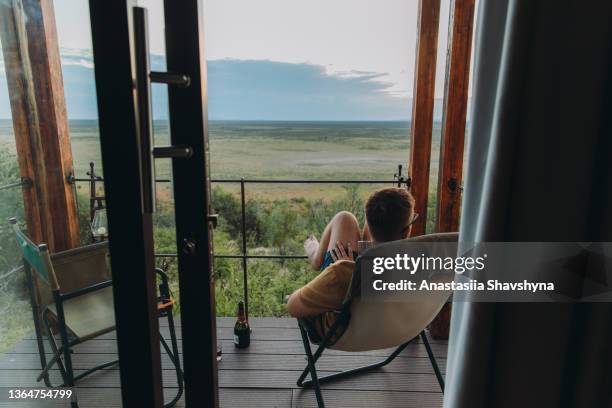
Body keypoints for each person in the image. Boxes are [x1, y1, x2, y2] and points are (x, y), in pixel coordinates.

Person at [286, 187, 417, 337]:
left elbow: (292, 307)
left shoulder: (342, 273)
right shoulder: (424, 263)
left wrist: (347, 270)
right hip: (394, 327)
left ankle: (316, 257)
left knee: (344, 218)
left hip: (341, 327)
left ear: (368, 222)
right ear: (406, 231)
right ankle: (366, 256)